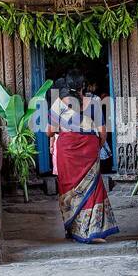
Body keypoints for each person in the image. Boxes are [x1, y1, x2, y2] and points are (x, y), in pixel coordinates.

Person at [49, 69, 118, 243]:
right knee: (92, 188)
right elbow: (103, 134)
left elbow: (49, 132)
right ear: (83, 85)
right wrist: (94, 147)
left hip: (66, 153)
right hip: (89, 150)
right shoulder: (93, 103)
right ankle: (92, 230)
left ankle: (73, 230)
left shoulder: (58, 104)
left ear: (67, 85)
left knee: (68, 190)